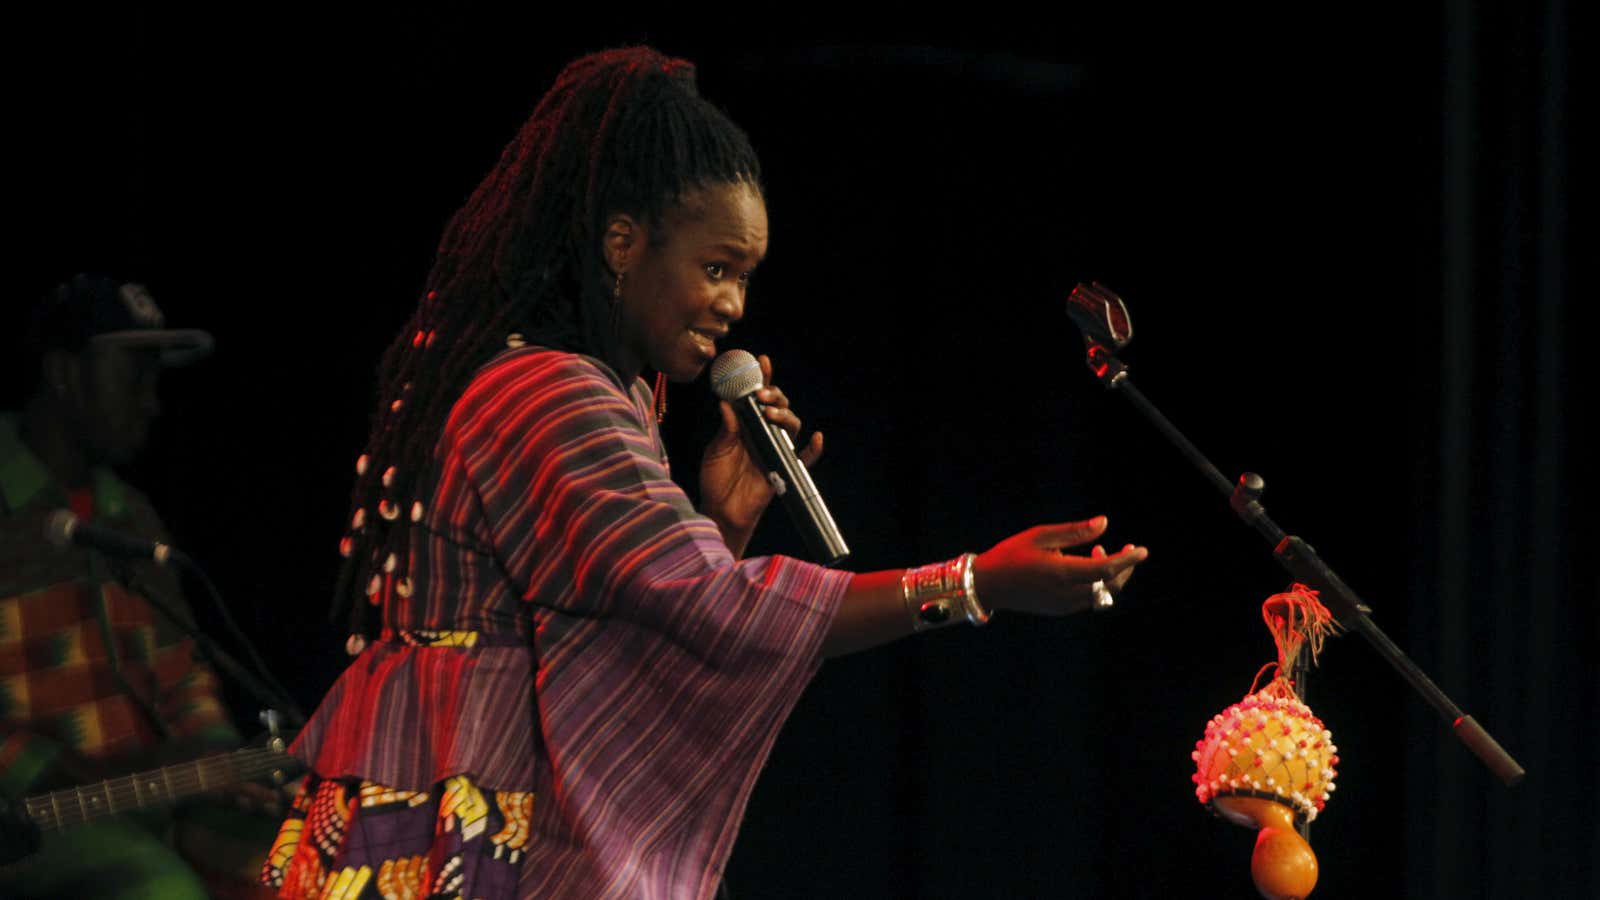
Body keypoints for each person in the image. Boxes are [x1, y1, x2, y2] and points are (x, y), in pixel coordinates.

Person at [259, 47, 1148, 900]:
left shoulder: (584, 388)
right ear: (621, 244)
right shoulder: (549, 394)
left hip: (451, 773)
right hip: (450, 793)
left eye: (746, 276)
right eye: (715, 268)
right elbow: (714, 613)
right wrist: (975, 582)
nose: (734, 305)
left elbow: (631, 619)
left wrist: (716, 527)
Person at [0, 273, 280, 898]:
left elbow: (184, 677)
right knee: (158, 889)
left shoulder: (129, 513)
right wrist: (138, 774)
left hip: (159, 802)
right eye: (135, 375)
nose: (153, 401)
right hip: (33, 825)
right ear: (64, 374)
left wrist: (224, 765)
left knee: (309, 862)